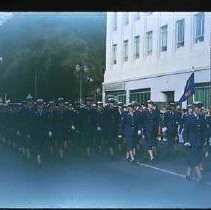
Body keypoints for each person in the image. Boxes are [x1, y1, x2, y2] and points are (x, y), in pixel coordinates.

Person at [183, 101, 206, 182]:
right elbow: (185, 131)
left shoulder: (202, 117)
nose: (199, 109)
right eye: (198, 107)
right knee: (194, 158)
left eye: (200, 108)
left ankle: (188, 174)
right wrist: (186, 141)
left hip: (200, 142)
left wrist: (205, 140)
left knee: (196, 158)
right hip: (191, 142)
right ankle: (200, 176)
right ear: (194, 108)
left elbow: (204, 130)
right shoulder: (189, 118)